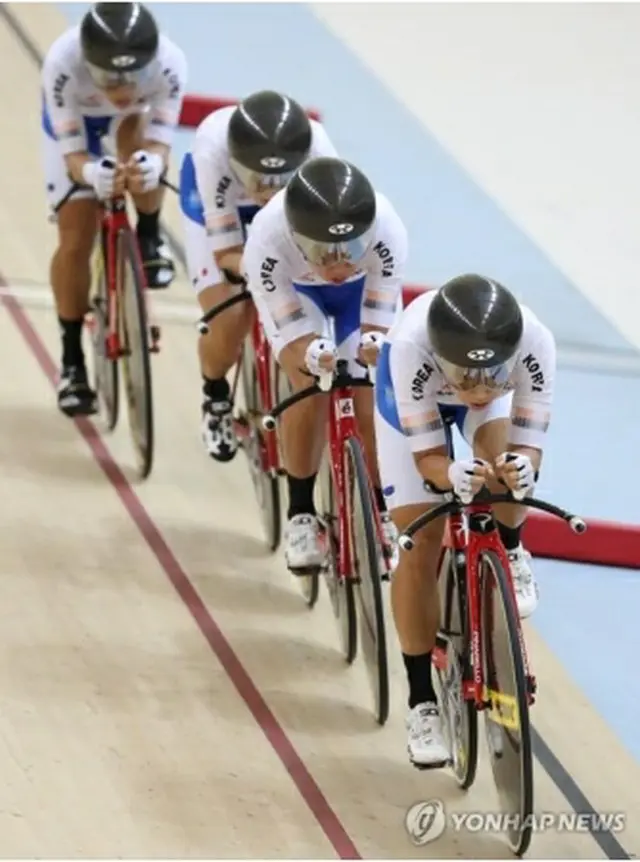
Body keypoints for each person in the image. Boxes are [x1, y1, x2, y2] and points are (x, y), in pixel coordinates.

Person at [374, 274, 556, 768]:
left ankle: (511, 549)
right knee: (418, 541)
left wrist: (520, 466)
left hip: (468, 389)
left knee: (506, 468)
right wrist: (449, 472)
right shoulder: (412, 350)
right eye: (468, 376)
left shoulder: (535, 343)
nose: (480, 389)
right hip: (415, 400)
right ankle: (421, 702)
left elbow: (529, 447)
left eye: (493, 375)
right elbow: (428, 459)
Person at [243, 156, 408, 573]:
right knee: (307, 382)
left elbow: (378, 327)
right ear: (297, 237)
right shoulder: (267, 238)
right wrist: (313, 355)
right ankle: (300, 512)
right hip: (299, 296)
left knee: (372, 385)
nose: (337, 265)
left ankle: (382, 508)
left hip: (361, 295)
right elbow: (294, 338)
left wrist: (373, 349)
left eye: (350, 249)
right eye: (322, 252)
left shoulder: (388, 229)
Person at [42, 2, 187, 417]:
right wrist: (89, 172)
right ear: (90, 63)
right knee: (75, 237)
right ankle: (72, 361)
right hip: (78, 124)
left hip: (132, 121)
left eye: (132, 75)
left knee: (143, 158)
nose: (121, 86)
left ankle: (148, 235)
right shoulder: (63, 63)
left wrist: (153, 165)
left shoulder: (170, 63)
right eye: (109, 76)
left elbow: (160, 142)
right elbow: (71, 157)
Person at [179, 90, 339, 462]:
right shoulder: (212, 149)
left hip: (290, 216)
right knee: (229, 314)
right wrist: (256, 270)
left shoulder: (319, 151)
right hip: (223, 205)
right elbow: (225, 253)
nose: (268, 190)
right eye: (259, 178)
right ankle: (215, 395)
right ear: (238, 162)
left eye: (280, 178)